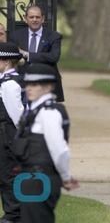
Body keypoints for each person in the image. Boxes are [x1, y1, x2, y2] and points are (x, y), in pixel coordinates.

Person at [12, 63, 79, 223]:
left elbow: (59, 149)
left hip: (41, 178)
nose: (29, 88)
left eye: (35, 85)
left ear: (48, 87)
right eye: (28, 84)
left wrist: (65, 177)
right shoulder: (35, 110)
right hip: (31, 176)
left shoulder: (48, 112)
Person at [8, 5, 65, 102]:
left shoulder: (54, 36)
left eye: (37, 17)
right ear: (25, 19)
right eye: (31, 17)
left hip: (46, 82)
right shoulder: (15, 36)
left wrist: (26, 54)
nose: (34, 20)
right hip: (22, 81)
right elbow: (12, 58)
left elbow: (53, 57)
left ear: (43, 19)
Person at [0, 42, 25, 223]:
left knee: (8, 173)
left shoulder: (9, 85)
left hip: (8, 133)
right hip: (7, 132)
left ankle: (13, 214)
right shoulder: (10, 81)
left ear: (6, 60)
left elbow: (17, 115)